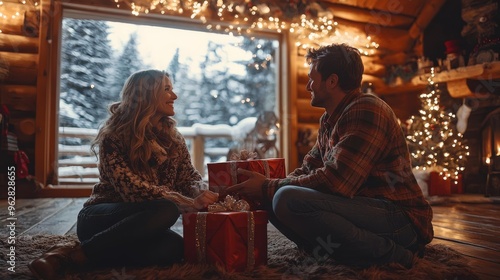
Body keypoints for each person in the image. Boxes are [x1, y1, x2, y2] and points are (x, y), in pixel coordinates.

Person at [226, 43, 433, 269]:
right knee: (274, 198)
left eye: (312, 79)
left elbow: (337, 182)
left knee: (285, 198)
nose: (308, 86)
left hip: (401, 221)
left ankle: (394, 255)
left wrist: (269, 186)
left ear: (332, 81)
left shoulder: (367, 109)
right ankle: (339, 254)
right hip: (363, 211)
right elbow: (309, 168)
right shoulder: (329, 118)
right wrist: (264, 188)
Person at [28, 70, 219, 279]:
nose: (174, 96)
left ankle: (91, 252)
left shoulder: (174, 138)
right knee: (166, 210)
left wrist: (204, 193)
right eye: (167, 89)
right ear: (146, 94)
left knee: (176, 248)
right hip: (102, 218)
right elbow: (131, 189)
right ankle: (72, 255)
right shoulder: (115, 135)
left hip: (142, 224)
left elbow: (187, 177)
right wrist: (186, 202)